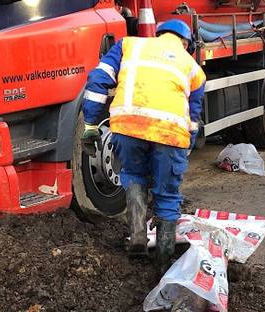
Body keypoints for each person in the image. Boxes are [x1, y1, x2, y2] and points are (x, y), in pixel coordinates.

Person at [81, 20, 206, 271]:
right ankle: (163, 265)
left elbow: (97, 81)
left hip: (128, 127)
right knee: (167, 195)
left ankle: (138, 236)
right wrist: (187, 146)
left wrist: (91, 125)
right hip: (169, 133)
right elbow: (194, 117)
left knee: (134, 175)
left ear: (157, 35)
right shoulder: (194, 69)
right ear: (186, 44)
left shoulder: (128, 45)